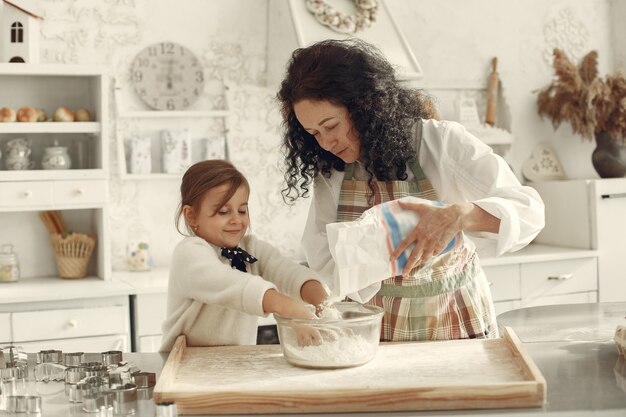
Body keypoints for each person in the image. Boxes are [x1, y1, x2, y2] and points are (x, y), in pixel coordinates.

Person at [276, 38, 545, 342]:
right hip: (371, 328)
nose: (325, 143)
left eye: (331, 126)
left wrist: (461, 216)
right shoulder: (332, 168)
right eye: (313, 133)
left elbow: (529, 213)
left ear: (363, 106)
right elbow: (322, 254)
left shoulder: (440, 143)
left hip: (451, 318)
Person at [160, 160, 329, 352]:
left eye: (242, 210)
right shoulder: (189, 253)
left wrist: (322, 303)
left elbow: (286, 271)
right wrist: (288, 307)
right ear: (191, 216)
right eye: (223, 211)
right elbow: (228, 282)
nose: (236, 220)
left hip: (232, 364)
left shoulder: (251, 249)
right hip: (183, 365)